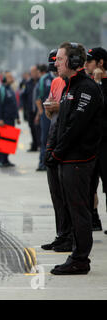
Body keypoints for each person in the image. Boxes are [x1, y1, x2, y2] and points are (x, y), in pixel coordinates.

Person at [46, 42, 103, 275]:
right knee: (72, 207)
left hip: (77, 160)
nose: (56, 63)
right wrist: (54, 150)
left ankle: (80, 259)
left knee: (80, 210)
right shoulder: (71, 86)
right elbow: (62, 124)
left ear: (74, 62)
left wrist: (57, 152)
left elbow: (76, 126)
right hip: (67, 159)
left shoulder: (86, 88)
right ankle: (76, 255)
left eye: (60, 59)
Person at [41, 49, 72, 252]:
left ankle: (70, 237)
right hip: (53, 137)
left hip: (65, 144)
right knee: (56, 195)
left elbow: (70, 109)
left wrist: (56, 107)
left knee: (67, 195)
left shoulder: (73, 84)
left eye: (59, 61)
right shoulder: (55, 83)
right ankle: (62, 234)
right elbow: (49, 111)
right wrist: (49, 107)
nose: (55, 66)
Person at [85, 47, 107, 232]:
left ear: (100, 63)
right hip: (93, 143)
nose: (86, 65)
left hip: (106, 143)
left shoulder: (99, 84)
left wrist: (99, 83)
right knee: (90, 183)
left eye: (89, 61)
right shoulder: (89, 83)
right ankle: (93, 217)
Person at [0, 71, 20, 167]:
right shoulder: (1, 91)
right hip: (3, 119)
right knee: (0, 141)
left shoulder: (11, 90)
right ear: (4, 79)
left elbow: (14, 105)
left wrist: (17, 117)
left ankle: (5, 159)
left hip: (11, 119)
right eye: (9, 77)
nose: (12, 78)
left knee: (9, 142)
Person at [35, 64, 55, 171]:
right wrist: (41, 113)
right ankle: (42, 162)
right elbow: (38, 98)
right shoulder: (44, 79)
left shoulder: (57, 78)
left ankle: (50, 161)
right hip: (46, 114)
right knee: (45, 138)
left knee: (52, 138)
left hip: (54, 113)